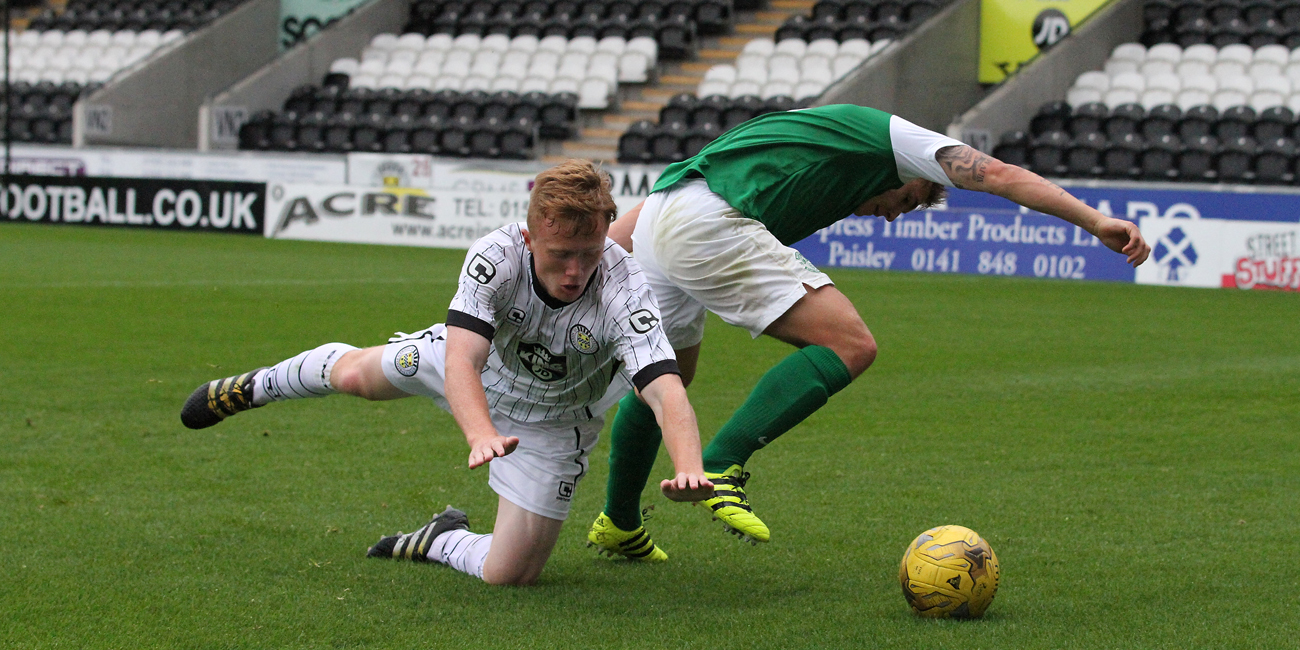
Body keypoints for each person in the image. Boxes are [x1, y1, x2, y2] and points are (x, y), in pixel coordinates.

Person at [595, 104, 1152, 546]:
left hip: (668, 215)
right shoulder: (898, 140)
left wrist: (594, 259)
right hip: (705, 222)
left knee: (663, 380)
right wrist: (1094, 219)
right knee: (852, 344)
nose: (891, 214)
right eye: (906, 201)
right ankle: (721, 463)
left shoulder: (809, 148)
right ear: (912, 172)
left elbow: (658, 207)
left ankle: (618, 523)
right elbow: (999, 175)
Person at [179, 160, 713, 584]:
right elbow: (462, 359)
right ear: (530, 239)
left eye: (589, 253)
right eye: (561, 254)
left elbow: (665, 389)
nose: (576, 271)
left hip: (553, 422)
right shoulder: (495, 255)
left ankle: (438, 538)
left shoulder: (624, 284)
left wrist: (690, 467)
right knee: (354, 377)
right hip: (473, 376)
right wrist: (479, 433)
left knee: (511, 575)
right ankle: (255, 386)